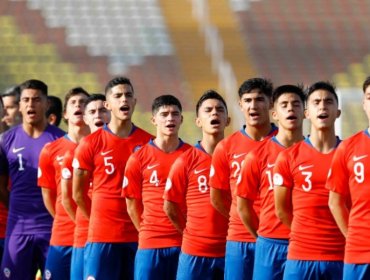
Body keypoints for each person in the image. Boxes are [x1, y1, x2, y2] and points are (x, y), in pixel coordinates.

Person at [72, 77, 152, 280]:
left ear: (134, 102)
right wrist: (98, 221)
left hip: (139, 237)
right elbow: (77, 193)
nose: (124, 99)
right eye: (118, 96)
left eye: (128, 95)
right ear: (108, 105)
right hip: (102, 238)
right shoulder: (90, 143)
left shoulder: (148, 143)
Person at [273, 81, 344, 279]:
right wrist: (306, 235)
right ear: (306, 113)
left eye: (328, 102)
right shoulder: (288, 157)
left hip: (341, 255)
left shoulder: (351, 154)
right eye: (316, 102)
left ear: (337, 112)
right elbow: (281, 209)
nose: (322, 106)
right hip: (301, 256)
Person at [209, 78, 277, 279]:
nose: (253, 106)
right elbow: (217, 198)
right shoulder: (226, 147)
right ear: (240, 105)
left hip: (276, 238)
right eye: (247, 100)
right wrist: (239, 216)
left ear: (271, 103)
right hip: (239, 239)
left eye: (259, 99)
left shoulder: (286, 144)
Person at [236, 85, 305, 280]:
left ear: (305, 112)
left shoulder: (316, 154)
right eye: (284, 105)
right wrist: (262, 237)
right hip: (271, 243)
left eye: (296, 104)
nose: (291, 109)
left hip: (308, 243)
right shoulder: (256, 156)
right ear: (274, 114)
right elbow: (243, 206)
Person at [0, 79, 65, 279]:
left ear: (46, 104)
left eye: (37, 99)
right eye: (26, 100)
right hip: (18, 230)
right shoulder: (6, 141)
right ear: (19, 105)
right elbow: (1, 186)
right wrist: (18, 208)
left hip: (53, 230)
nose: (31, 104)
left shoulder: (61, 140)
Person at [123, 94, 191, 280]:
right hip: (150, 244)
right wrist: (149, 231)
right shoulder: (138, 158)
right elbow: (132, 205)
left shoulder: (192, 155)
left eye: (175, 114)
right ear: (154, 120)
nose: (170, 118)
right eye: (164, 114)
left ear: (181, 119)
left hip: (184, 243)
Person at [163, 90, 230, 279]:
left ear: (228, 119)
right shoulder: (185, 161)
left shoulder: (238, 158)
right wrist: (192, 234)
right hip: (194, 252)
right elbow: (170, 206)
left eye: (219, 110)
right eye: (208, 110)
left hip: (231, 250)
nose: (214, 114)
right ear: (198, 121)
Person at [38, 87, 90, 279]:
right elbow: (48, 196)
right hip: (63, 235)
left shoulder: (99, 148)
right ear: (65, 114)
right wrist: (68, 218)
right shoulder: (50, 150)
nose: (78, 105)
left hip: (92, 235)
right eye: (73, 103)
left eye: (83, 103)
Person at [61, 93, 110, 280]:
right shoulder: (74, 154)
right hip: (86, 235)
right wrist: (93, 222)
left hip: (123, 236)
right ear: (86, 118)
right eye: (92, 111)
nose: (98, 115)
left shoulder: (129, 150)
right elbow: (71, 198)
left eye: (103, 110)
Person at [327, 76, 370, 279]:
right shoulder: (348, 147)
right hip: (358, 252)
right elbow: (335, 202)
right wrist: (352, 237)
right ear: (363, 103)